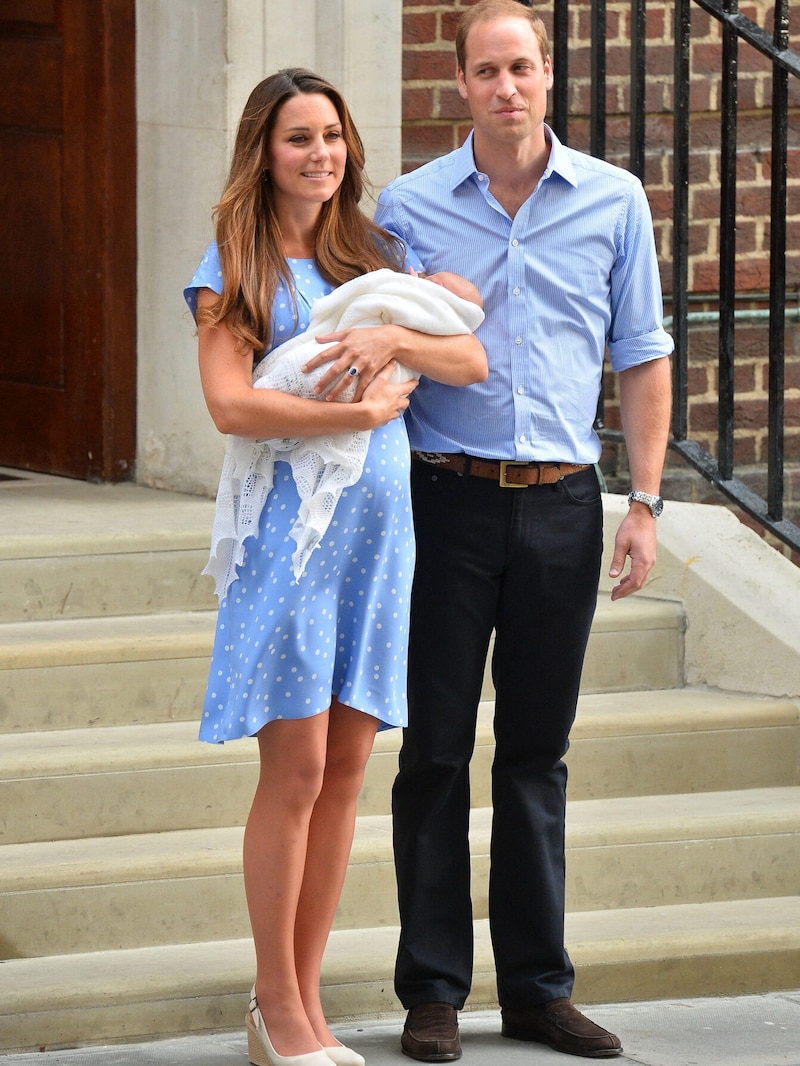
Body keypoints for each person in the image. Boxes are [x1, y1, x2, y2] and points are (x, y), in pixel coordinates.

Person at [374, 1, 673, 1061]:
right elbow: (374, 349)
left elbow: (641, 352)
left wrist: (641, 499)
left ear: (548, 75)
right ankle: (433, 991)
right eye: (486, 70)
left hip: (560, 504)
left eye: (522, 67)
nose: (506, 86)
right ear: (458, 83)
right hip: (441, 502)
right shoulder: (403, 209)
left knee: (535, 755)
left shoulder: (611, 202)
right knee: (435, 752)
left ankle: (538, 989)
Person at [184, 68, 487, 1066]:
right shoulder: (234, 264)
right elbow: (231, 405)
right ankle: (274, 1005)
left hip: (380, 538)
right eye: (297, 138)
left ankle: (305, 1005)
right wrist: (349, 414)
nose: (320, 154)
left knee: (351, 767)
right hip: (290, 539)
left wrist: (398, 331)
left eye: (332, 137)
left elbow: (470, 352)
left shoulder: (375, 255)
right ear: (262, 152)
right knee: (298, 766)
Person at [204, 269, 484, 591]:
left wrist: (392, 339)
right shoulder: (232, 265)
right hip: (287, 507)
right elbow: (229, 410)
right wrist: (360, 416)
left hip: (379, 519)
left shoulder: (382, 247)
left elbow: (473, 362)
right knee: (286, 628)